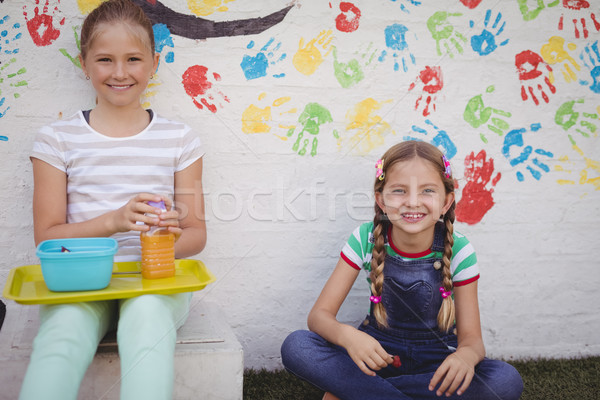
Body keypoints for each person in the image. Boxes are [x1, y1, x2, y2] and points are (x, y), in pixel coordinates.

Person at [20, 1, 206, 399]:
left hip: (155, 284)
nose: (120, 72)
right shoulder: (56, 140)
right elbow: (47, 237)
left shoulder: (180, 139)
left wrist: (166, 238)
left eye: (133, 59)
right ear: (84, 63)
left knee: (146, 321)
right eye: (105, 59)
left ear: (154, 63)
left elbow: (196, 234)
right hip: (81, 282)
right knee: (62, 337)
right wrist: (115, 222)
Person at [281, 141, 523, 400]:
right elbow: (319, 316)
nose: (412, 202)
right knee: (297, 346)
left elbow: (472, 340)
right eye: (399, 190)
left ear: (446, 201)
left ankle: (360, 393)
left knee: (505, 381)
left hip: (436, 366)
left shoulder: (460, 250)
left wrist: (465, 356)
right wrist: (348, 337)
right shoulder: (365, 239)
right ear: (381, 200)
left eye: (427, 190)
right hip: (375, 359)